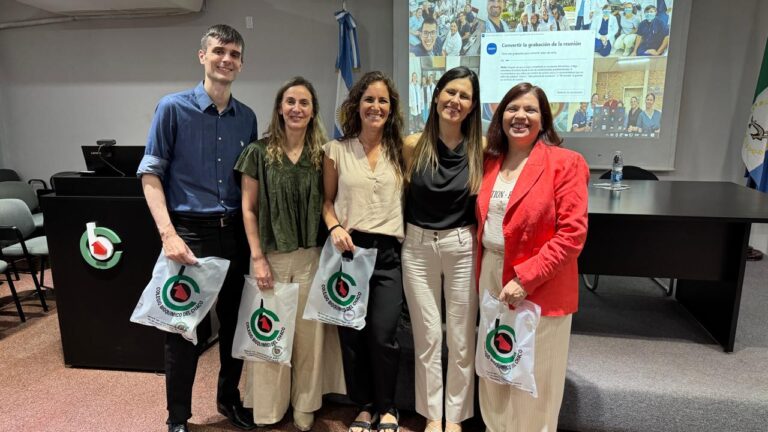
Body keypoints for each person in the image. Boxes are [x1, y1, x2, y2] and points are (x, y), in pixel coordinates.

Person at [137, 24, 259, 432]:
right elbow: (151, 174)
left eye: (235, 54)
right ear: (202, 56)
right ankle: (177, 418)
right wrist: (168, 235)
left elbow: (249, 185)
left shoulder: (248, 119)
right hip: (190, 232)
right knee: (182, 330)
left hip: (235, 235)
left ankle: (229, 400)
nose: (227, 59)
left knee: (235, 326)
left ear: (241, 63)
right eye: (220, 51)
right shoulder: (172, 108)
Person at [476, 82, 589, 432]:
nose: (520, 116)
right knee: (495, 366)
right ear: (500, 115)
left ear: (544, 118)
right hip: (492, 273)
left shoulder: (565, 163)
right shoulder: (489, 161)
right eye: (512, 108)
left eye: (530, 110)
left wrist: (524, 279)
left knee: (534, 378)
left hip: (541, 282)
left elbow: (572, 234)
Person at [235, 77, 344, 431]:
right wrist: (257, 258)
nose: (297, 109)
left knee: (310, 339)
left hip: (312, 257)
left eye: (305, 103)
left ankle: (305, 403)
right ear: (280, 108)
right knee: (269, 332)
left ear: (313, 112)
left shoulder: (322, 155)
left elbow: (331, 203)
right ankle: (268, 406)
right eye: (290, 101)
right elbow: (248, 209)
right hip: (272, 259)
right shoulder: (257, 152)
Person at [322, 71, 405, 432]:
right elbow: (326, 202)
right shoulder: (336, 150)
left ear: (392, 107)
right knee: (352, 334)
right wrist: (335, 226)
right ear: (356, 105)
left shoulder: (404, 150)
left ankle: (388, 407)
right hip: (349, 251)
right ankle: (365, 406)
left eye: (383, 100)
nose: (376, 106)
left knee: (383, 333)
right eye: (369, 99)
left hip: (388, 254)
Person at [402, 66, 483, 432]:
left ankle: (456, 418)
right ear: (436, 96)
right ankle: (433, 415)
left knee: (462, 338)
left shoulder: (482, 149)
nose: (456, 101)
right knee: (429, 336)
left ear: (472, 106)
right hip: (417, 249)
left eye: (464, 96)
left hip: (462, 247)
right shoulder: (412, 145)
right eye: (450, 92)